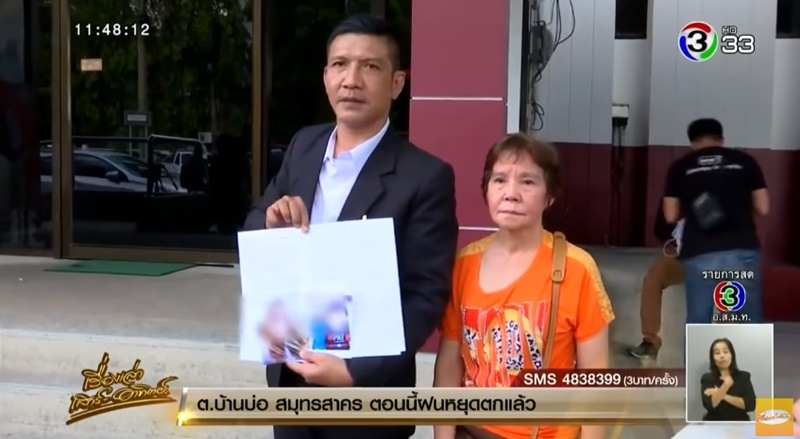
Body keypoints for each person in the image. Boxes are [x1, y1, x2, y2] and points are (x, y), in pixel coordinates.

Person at [242, 14, 458, 439]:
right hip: (291, 381)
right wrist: (270, 223)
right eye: (340, 64)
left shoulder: (425, 177)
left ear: (396, 83)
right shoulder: (304, 146)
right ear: (326, 76)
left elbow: (425, 295)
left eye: (370, 66)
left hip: (367, 402)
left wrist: (355, 371)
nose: (351, 80)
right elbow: (255, 225)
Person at [434, 134, 614, 439]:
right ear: (486, 190)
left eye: (528, 182)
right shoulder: (465, 263)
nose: (511, 194)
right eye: (500, 180)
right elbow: (450, 366)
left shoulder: (576, 268)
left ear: (550, 196)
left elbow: (594, 383)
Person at [663, 118, 768, 324]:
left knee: (699, 319)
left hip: (701, 252)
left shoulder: (680, 167)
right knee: (749, 317)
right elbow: (763, 208)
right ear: (721, 139)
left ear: (692, 141)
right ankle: (750, 347)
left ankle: (701, 347)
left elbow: (670, 215)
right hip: (742, 251)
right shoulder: (745, 161)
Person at [628, 203, 683, 360]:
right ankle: (650, 342)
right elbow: (660, 230)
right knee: (654, 277)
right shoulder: (677, 194)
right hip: (685, 254)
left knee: (728, 285)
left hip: (718, 254)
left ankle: (731, 339)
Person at [700, 338, 756, 421]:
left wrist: (722, 395)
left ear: (732, 355)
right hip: (714, 423)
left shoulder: (744, 376)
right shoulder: (707, 378)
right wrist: (726, 385)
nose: (722, 356)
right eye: (717, 353)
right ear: (712, 358)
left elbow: (751, 405)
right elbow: (710, 405)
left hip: (740, 424)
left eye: (725, 352)